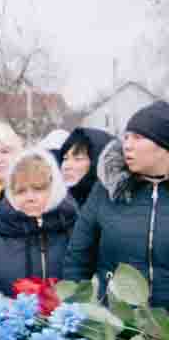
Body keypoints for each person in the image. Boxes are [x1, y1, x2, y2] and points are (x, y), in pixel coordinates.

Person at [65, 100, 169, 306]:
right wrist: (75, 313)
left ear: (164, 146)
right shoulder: (106, 190)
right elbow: (77, 259)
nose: (127, 145)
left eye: (138, 138)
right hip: (118, 327)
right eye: (126, 137)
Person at [0, 147, 77, 293]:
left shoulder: (77, 234)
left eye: (38, 189)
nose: (30, 197)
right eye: (21, 191)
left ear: (54, 189)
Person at [59, 127, 114, 207]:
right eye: (65, 158)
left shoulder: (118, 208)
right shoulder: (58, 207)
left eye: (77, 159)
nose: (66, 166)